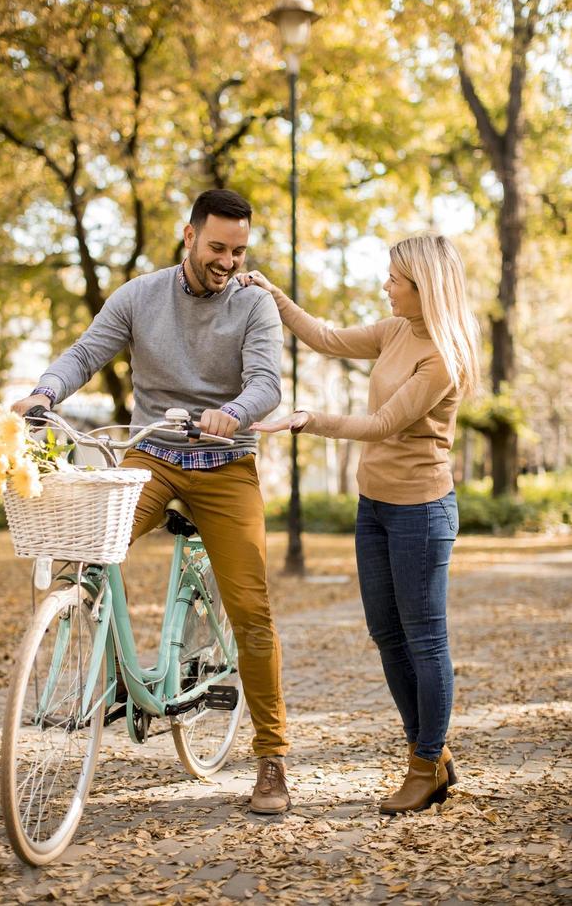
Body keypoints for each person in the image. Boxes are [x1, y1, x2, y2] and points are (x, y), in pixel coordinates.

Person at [12, 189, 291, 815]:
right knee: (87, 547)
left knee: (250, 608)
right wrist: (44, 392)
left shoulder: (254, 303)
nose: (227, 260)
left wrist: (233, 413)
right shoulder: (140, 295)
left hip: (225, 464)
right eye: (217, 246)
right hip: (153, 456)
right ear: (187, 236)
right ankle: (103, 657)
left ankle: (272, 757)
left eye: (239, 250)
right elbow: (86, 353)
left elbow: (266, 383)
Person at [240, 234, 480, 815]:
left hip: (421, 510)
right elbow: (325, 337)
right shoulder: (396, 329)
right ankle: (433, 752)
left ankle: (424, 763)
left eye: (395, 278)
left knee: (425, 640)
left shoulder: (442, 356)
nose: (385, 285)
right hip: (372, 504)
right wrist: (274, 295)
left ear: (425, 288)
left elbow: (382, 424)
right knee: (385, 632)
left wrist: (307, 419)